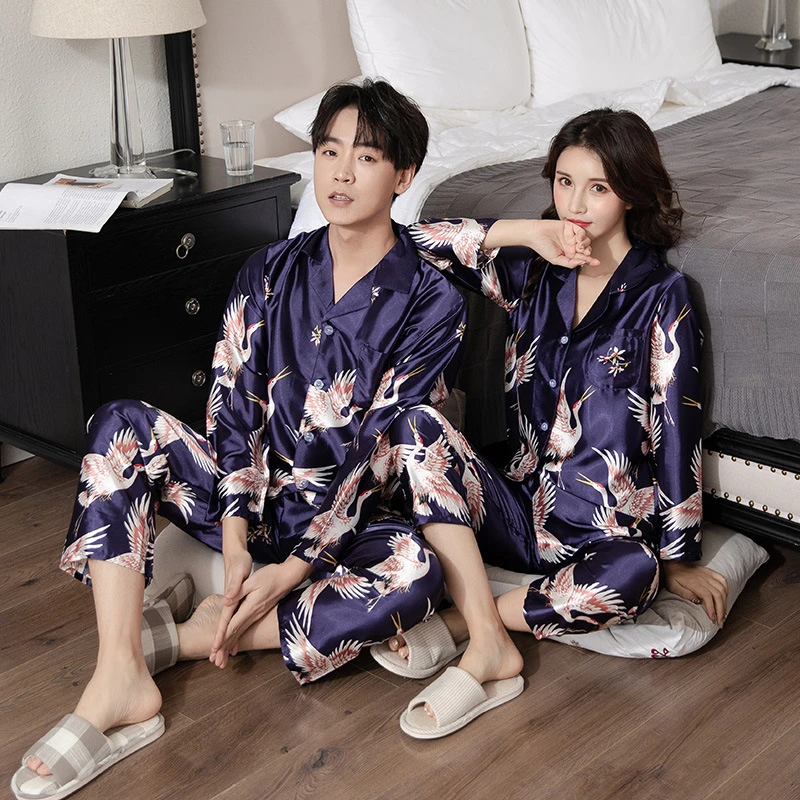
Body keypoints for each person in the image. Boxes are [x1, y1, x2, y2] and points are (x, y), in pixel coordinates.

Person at [12, 79, 520, 798]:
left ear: (404, 176)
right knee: (120, 423)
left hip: (347, 521)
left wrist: (295, 565)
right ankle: (117, 673)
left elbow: (381, 448)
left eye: (366, 158)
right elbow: (231, 409)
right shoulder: (270, 268)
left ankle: (183, 639)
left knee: (417, 575)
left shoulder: (433, 300)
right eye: (329, 151)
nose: (341, 173)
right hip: (249, 500)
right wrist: (236, 538)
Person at [380, 108, 728, 679]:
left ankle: (468, 623)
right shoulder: (533, 272)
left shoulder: (664, 294)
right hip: (517, 509)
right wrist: (525, 233)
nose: (575, 204)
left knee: (634, 574)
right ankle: (485, 614)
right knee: (413, 424)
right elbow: (408, 243)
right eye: (564, 182)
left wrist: (678, 557)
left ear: (631, 194)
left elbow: (676, 430)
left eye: (599, 188)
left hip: (605, 534)